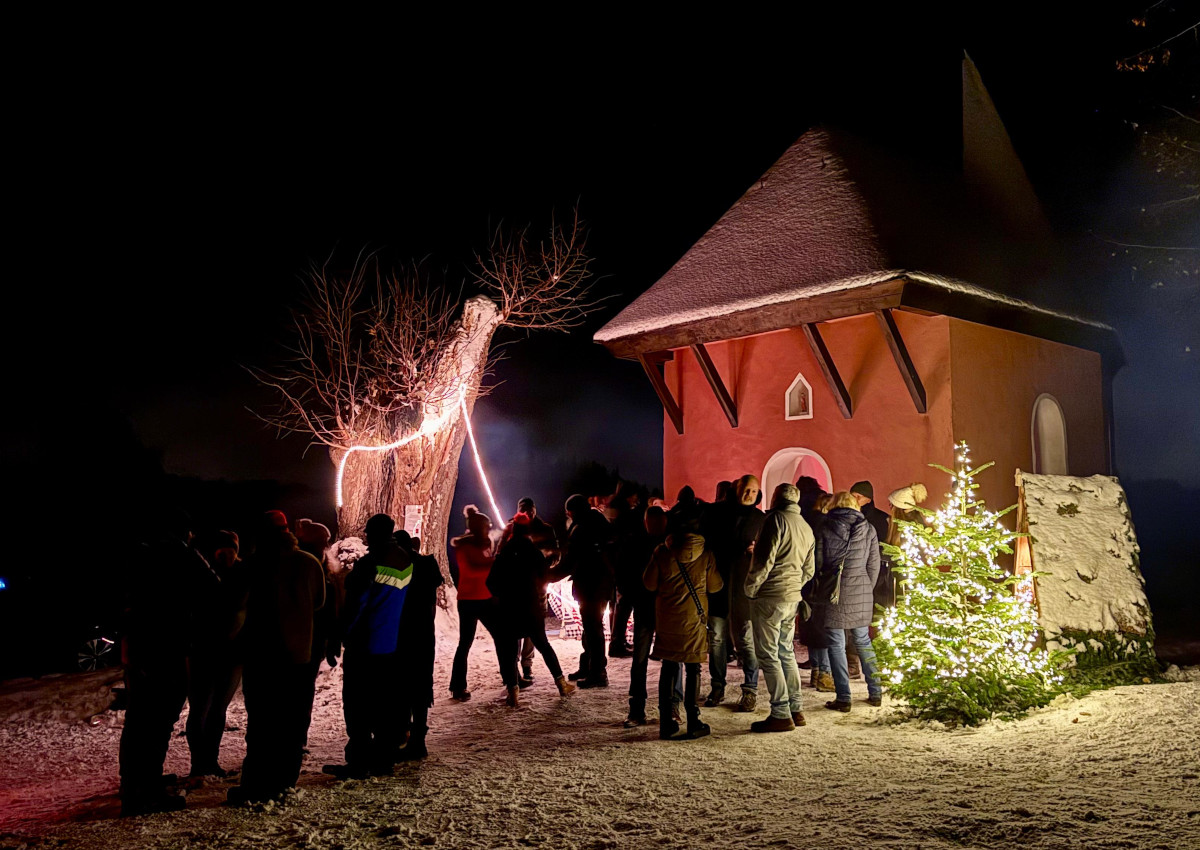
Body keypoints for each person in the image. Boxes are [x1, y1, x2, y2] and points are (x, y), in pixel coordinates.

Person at [119, 509, 219, 816]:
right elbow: (212, 588)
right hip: (169, 645)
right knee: (159, 718)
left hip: (140, 645)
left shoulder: (139, 553)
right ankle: (147, 791)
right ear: (187, 533)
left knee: (138, 719)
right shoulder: (183, 555)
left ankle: (132, 785)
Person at [229, 511, 325, 804]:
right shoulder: (309, 563)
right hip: (299, 656)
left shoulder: (251, 566)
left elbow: (234, 605)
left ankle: (256, 784)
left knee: (261, 722)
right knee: (292, 720)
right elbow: (319, 602)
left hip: (262, 656)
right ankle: (285, 779)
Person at [323, 513, 412, 778]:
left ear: (372, 533)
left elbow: (356, 606)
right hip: (390, 642)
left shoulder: (369, 564)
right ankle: (383, 759)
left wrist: (341, 635)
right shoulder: (404, 560)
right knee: (384, 702)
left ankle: (359, 761)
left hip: (364, 643)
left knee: (357, 704)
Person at [744, 483, 815, 733]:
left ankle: (781, 712)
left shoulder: (774, 520)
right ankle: (796, 708)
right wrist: (794, 587)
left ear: (776, 498)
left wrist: (750, 589)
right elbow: (809, 569)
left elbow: (764, 560)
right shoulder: (805, 526)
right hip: (791, 597)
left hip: (769, 597)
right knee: (786, 652)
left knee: (768, 654)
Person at [643, 517, 722, 739]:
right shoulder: (706, 554)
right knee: (693, 668)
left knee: (669, 669)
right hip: (694, 621)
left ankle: (666, 721)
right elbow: (715, 586)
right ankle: (694, 720)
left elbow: (648, 583)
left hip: (668, 619)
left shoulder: (662, 552)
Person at [489, 512, 577, 702]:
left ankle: (513, 691)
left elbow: (491, 582)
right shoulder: (533, 553)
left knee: (510, 650)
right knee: (544, 646)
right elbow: (546, 576)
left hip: (508, 608)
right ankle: (561, 684)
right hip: (530, 607)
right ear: (529, 532)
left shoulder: (504, 553)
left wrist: (501, 595)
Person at [809, 492, 884, 712]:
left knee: (836, 644)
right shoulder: (869, 529)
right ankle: (876, 691)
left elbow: (818, 563)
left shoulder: (824, 527)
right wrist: (865, 589)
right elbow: (874, 565)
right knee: (863, 640)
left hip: (835, 592)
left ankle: (843, 697)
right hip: (861, 589)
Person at [185, 529, 248, 778]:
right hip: (205, 648)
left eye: (230, 550)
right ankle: (199, 763)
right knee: (201, 707)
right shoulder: (203, 575)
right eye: (222, 550)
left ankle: (208, 761)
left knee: (217, 708)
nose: (227, 555)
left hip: (229, 651)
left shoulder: (240, 574)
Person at [704, 474, 763, 712]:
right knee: (716, 639)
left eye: (753, 491)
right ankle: (717, 686)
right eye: (746, 490)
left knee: (746, 641)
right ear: (736, 489)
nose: (749, 495)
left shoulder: (761, 518)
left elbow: (770, 551)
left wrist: (757, 549)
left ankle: (750, 689)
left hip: (744, 588)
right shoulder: (716, 513)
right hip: (718, 586)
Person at [448, 506, 513, 701]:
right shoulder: (463, 547)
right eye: (487, 526)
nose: (489, 529)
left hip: (486, 598)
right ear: (479, 527)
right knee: (465, 644)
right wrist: (496, 562)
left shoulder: (486, 542)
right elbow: (473, 570)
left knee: (502, 637)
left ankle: (511, 678)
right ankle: (458, 687)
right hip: (468, 600)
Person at [625, 505, 682, 727]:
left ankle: (670, 705)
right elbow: (628, 574)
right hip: (649, 607)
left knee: (670, 659)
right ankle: (638, 707)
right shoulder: (641, 544)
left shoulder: (669, 545)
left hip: (662, 607)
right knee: (644, 659)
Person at [392, 529, 442, 760]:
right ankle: (418, 739)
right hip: (424, 632)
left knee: (402, 684)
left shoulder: (398, 566)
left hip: (402, 633)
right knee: (422, 685)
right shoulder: (428, 565)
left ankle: (403, 734)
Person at [559, 494, 615, 688]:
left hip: (592, 585)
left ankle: (598, 672)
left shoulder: (581, 528)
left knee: (593, 629)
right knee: (591, 628)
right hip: (601, 583)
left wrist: (548, 575)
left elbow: (571, 560)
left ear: (571, 512)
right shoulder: (597, 520)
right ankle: (589, 666)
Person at [294, 519, 339, 743]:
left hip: (312, 640)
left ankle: (297, 735)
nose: (325, 547)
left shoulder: (323, 570)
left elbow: (330, 610)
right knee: (300, 691)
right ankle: (295, 735)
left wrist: (332, 642)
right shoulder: (309, 567)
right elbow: (327, 608)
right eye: (321, 543)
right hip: (303, 639)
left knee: (301, 690)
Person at [515, 497, 558, 686]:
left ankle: (527, 664)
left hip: (538, 585)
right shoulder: (513, 529)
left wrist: (544, 568)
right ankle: (513, 665)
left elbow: (555, 554)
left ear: (535, 510)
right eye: (524, 510)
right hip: (516, 587)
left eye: (530, 509)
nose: (528, 513)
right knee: (515, 626)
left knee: (535, 627)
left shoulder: (546, 530)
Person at [607, 481, 645, 658]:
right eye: (634, 496)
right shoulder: (626, 517)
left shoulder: (614, 513)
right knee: (625, 606)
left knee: (621, 606)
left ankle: (618, 642)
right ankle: (618, 644)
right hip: (628, 566)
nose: (636, 499)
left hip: (619, 566)